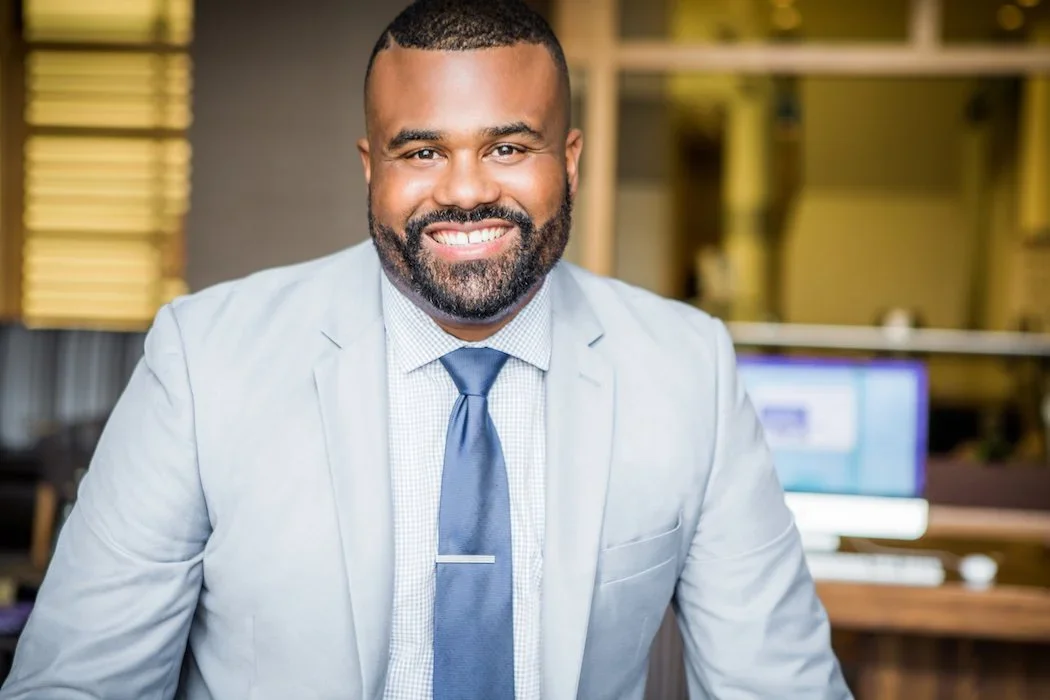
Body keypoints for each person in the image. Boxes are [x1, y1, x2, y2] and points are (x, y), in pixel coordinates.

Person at [1, 1, 852, 698]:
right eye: (422, 151)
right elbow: (78, 684)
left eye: (509, 147)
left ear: (573, 160)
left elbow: (779, 686)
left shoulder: (686, 369)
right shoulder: (204, 359)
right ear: (372, 168)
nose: (468, 189)